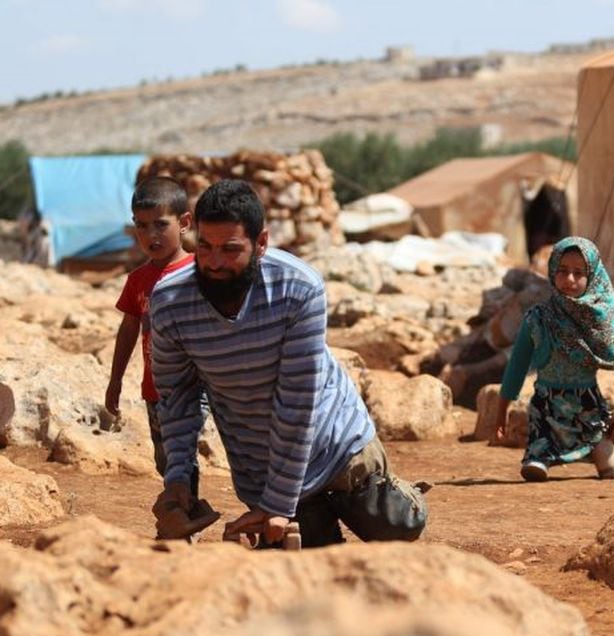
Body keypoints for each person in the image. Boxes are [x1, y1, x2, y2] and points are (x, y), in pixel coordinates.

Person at [148, 179, 427, 547]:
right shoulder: (170, 302)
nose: (214, 262)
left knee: (397, 529)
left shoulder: (299, 288)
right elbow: (177, 398)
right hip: (258, 461)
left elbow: (297, 400)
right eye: (205, 247)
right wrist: (179, 481)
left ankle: (404, 498)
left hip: (334, 440)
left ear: (261, 243)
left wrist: (279, 504)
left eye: (230, 249)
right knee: (309, 562)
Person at [492, 236, 614, 482]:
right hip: (546, 411)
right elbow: (516, 368)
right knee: (535, 466)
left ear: (592, 277)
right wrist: (500, 413)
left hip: (589, 410)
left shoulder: (602, 319)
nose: (569, 280)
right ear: (551, 271)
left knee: (612, 470)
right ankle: (539, 457)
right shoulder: (538, 319)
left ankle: (598, 450)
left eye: (579, 273)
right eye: (562, 271)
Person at [105, 176, 201, 496]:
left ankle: (182, 521)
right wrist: (115, 379)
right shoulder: (138, 280)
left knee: (182, 459)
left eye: (160, 224)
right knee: (165, 462)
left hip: (193, 388)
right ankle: (184, 522)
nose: (150, 235)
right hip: (155, 390)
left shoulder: (199, 275)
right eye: (141, 226)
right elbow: (129, 328)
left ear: (184, 222)